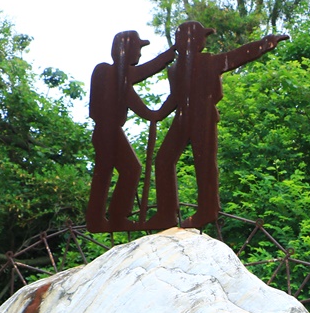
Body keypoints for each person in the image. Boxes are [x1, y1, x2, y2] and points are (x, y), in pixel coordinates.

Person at [142, 21, 289, 230]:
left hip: (203, 116)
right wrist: (156, 115)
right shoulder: (174, 69)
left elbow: (238, 55)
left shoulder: (209, 62)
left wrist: (264, 44)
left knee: (204, 163)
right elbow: (174, 97)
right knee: (164, 159)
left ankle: (207, 210)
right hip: (182, 118)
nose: (203, 41)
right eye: (201, 37)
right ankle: (166, 213)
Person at [86, 30, 175, 232]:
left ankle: (110, 217)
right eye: (138, 49)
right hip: (106, 131)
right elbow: (142, 74)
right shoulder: (107, 71)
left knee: (115, 171)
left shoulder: (120, 77)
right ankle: (108, 217)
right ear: (126, 49)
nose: (140, 55)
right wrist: (170, 54)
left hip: (110, 130)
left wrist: (152, 114)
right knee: (118, 171)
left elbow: (131, 98)